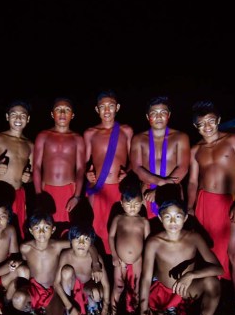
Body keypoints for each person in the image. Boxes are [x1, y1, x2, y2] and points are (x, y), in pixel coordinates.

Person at [186, 100, 235, 315]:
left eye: (211, 121)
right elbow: (193, 181)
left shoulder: (233, 141)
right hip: (205, 204)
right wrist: (190, 207)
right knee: (206, 253)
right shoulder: (195, 150)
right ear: (196, 126)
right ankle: (209, 299)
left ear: (219, 120)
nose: (207, 126)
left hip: (229, 202)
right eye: (201, 123)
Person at [138, 199, 222, 315]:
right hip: (163, 293)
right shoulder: (153, 242)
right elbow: (146, 278)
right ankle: (164, 313)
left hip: (185, 291)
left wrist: (191, 275)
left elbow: (219, 269)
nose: (172, 222)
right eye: (167, 217)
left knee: (213, 282)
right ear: (160, 218)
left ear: (185, 218)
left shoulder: (194, 238)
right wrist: (142, 313)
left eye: (177, 216)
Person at [83, 90, 133, 255]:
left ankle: (121, 263)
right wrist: (86, 173)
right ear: (97, 110)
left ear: (117, 107)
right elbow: (84, 162)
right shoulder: (90, 133)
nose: (106, 110)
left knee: (120, 228)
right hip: (99, 188)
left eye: (110, 106)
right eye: (102, 107)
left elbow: (134, 160)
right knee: (97, 228)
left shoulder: (126, 131)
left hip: (120, 189)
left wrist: (128, 172)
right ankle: (100, 265)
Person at [0, 100, 34, 240]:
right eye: (14, 114)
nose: (18, 118)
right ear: (7, 117)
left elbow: (33, 174)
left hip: (18, 195)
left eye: (22, 115)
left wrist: (29, 177)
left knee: (16, 234)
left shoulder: (30, 145)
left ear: (27, 119)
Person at [130, 96, 190, 220]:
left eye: (163, 112)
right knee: (150, 228)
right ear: (147, 117)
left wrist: (161, 189)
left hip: (173, 189)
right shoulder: (138, 138)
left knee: (173, 228)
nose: (158, 116)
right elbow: (137, 167)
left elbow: (183, 167)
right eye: (154, 113)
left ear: (169, 115)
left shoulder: (181, 137)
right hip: (147, 191)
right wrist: (160, 184)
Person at [17, 210, 73, 315]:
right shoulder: (25, 247)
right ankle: (34, 313)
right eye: (37, 228)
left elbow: (79, 244)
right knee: (18, 300)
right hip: (35, 289)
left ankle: (59, 314)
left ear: (53, 229)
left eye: (46, 227)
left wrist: (95, 262)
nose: (41, 232)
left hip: (54, 292)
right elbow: (24, 262)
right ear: (31, 230)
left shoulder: (57, 245)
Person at [32, 97, 86, 227]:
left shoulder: (77, 138)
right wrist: (39, 195)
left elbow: (80, 169)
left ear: (72, 115)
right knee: (45, 227)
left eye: (67, 110)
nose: (62, 113)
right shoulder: (43, 135)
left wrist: (77, 196)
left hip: (69, 191)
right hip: (47, 191)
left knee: (68, 228)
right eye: (58, 109)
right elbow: (37, 166)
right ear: (52, 114)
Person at [54, 225, 111, 315]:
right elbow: (56, 283)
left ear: (91, 242)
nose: (81, 243)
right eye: (77, 239)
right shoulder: (66, 255)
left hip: (87, 287)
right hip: (72, 287)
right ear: (71, 241)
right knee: (66, 271)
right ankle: (68, 313)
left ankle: (92, 309)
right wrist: (69, 307)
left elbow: (106, 285)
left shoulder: (96, 259)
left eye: (86, 239)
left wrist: (105, 313)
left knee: (97, 293)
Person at [107, 182, 150, 315]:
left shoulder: (144, 221)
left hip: (138, 259)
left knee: (137, 287)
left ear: (142, 203)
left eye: (136, 204)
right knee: (118, 286)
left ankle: (134, 313)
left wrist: (146, 260)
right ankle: (113, 313)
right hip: (119, 259)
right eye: (128, 204)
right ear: (121, 203)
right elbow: (111, 236)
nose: (132, 208)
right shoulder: (118, 219)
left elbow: (149, 242)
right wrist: (114, 255)